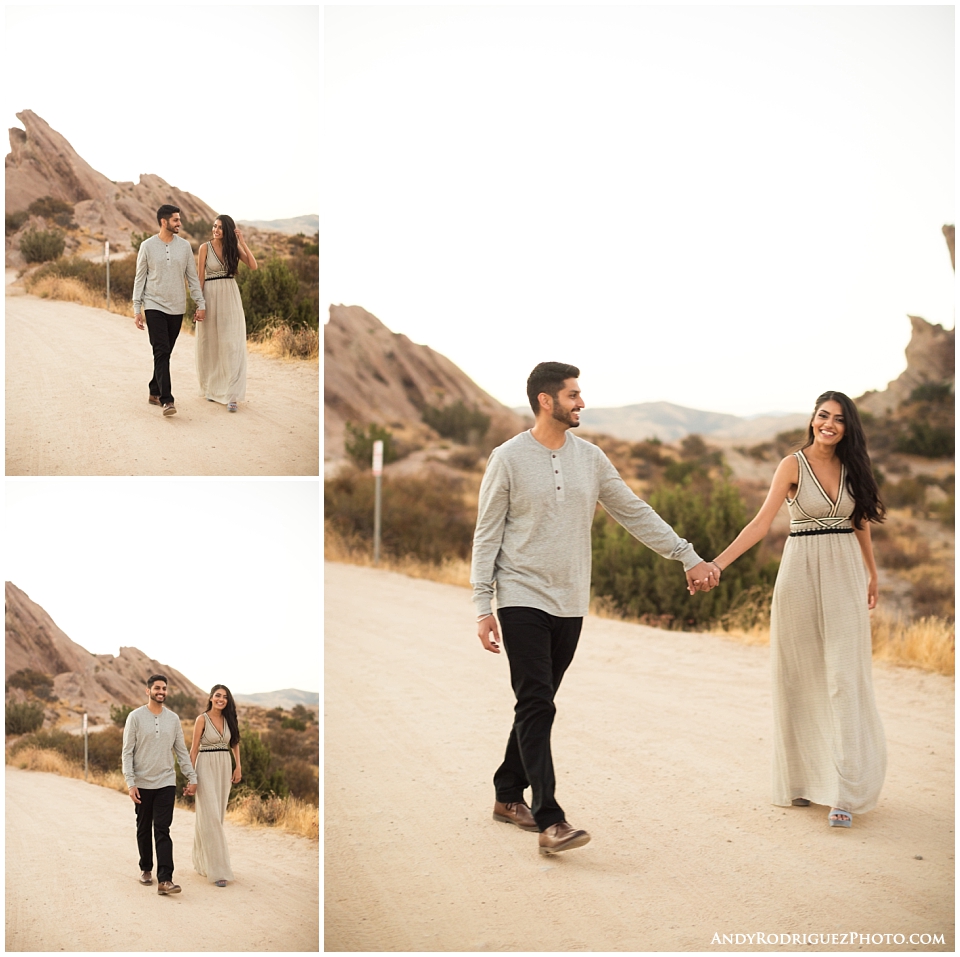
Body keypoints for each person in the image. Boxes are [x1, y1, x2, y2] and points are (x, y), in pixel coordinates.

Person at [471, 361, 719, 855]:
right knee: (538, 702)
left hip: (570, 600)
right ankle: (550, 819)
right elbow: (487, 533)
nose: (581, 402)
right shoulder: (508, 458)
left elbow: (633, 510)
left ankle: (505, 793)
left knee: (534, 704)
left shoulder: (591, 458)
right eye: (573, 394)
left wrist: (686, 555)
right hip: (520, 595)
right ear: (546, 400)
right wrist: (483, 605)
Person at [710, 391, 887, 828]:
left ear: (849, 427)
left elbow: (860, 521)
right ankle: (802, 782)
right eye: (822, 416)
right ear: (812, 419)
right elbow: (761, 522)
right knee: (800, 675)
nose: (828, 424)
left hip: (844, 571)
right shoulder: (792, 465)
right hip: (800, 573)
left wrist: (872, 572)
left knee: (845, 677)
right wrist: (716, 564)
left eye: (838, 419)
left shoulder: (853, 467)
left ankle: (845, 791)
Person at [121, 674, 198, 895]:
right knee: (143, 828)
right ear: (148, 691)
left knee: (162, 829)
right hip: (142, 783)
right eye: (157, 688)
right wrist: (130, 782)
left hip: (166, 781)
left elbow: (181, 751)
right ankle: (146, 868)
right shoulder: (135, 717)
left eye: (164, 688)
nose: (161, 691)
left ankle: (165, 879)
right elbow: (127, 752)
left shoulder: (173, 719)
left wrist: (191, 777)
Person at [133, 204, 206, 416]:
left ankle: (154, 390)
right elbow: (140, 278)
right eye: (175, 220)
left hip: (177, 307)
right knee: (161, 350)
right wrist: (137, 308)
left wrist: (200, 304)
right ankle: (167, 400)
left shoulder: (184, 247)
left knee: (165, 353)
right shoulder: (147, 246)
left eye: (179, 219)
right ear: (164, 222)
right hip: (154, 305)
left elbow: (192, 278)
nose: (179, 223)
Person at [196, 215, 258, 412]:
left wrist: (243, 243)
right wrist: (200, 305)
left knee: (231, 344)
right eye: (214, 226)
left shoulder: (234, 248)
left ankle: (232, 395)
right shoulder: (204, 248)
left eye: (220, 227)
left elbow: (253, 265)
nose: (216, 230)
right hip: (210, 297)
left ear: (228, 230)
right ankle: (212, 389)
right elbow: (200, 279)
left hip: (230, 297)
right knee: (211, 343)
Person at [189, 684, 242, 887]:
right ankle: (219, 870)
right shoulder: (201, 719)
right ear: (211, 698)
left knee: (216, 817)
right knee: (210, 816)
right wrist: (190, 777)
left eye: (225, 697)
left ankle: (203, 862)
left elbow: (235, 742)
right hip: (205, 767)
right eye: (217, 695)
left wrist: (238, 767)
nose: (221, 699)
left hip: (224, 766)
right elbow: (193, 750)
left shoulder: (230, 718)